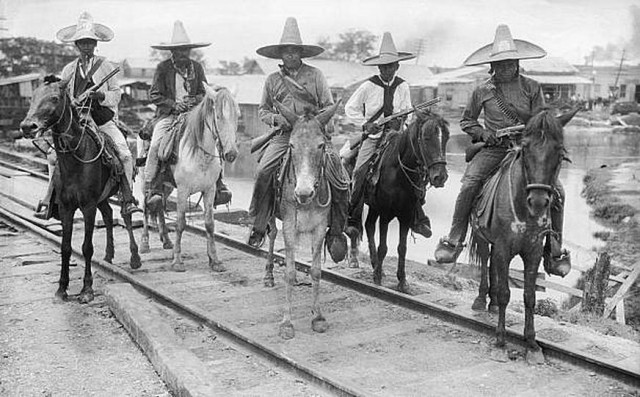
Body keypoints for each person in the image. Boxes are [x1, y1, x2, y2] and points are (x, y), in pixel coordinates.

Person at [434, 25, 571, 277]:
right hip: (494, 149)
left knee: (558, 191)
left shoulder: (532, 87)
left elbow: (542, 121)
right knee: (469, 184)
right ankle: (454, 238)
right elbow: (467, 121)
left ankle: (554, 249)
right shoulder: (482, 90)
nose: (505, 67)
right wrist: (482, 134)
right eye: (500, 63)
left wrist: (529, 134)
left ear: (517, 62)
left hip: (525, 150)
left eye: (510, 62)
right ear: (492, 66)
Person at [247, 17, 349, 260]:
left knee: (341, 178)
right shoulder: (272, 80)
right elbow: (263, 109)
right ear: (280, 54)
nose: (290, 55)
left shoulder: (316, 75)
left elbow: (327, 105)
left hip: (313, 135)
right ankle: (259, 223)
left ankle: (336, 230)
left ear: (300, 52)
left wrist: (322, 123)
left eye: (294, 51)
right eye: (286, 51)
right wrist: (275, 120)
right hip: (285, 136)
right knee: (263, 171)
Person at [36, 12, 141, 219]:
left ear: (95, 44)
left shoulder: (106, 66)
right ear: (76, 45)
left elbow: (117, 95)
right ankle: (51, 200)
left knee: (125, 155)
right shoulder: (69, 69)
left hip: (102, 119)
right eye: (82, 43)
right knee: (52, 156)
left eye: (90, 43)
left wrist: (100, 94)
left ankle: (127, 199)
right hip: (76, 121)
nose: (86, 47)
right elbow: (62, 96)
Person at [343, 32, 432, 239]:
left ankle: (418, 217)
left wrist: (402, 123)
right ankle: (353, 215)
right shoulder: (368, 86)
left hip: (396, 138)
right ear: (378, 68)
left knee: (416, 169)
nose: (386, 70)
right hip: (373, 139)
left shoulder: (403, 86)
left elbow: (408, 111)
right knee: (359, 171)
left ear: (397, 66)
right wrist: (367, 125)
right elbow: (350, 108)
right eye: (383, 66)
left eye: (390, 66)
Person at [144, 20, 231, 207]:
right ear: (172, 52)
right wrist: (173, 105)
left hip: (194, 116)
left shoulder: (196, 67)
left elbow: (204, 91)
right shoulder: (163, 68)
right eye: (179, 50)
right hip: (169, 115)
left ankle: (218, 182)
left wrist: (196, 100)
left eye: (186, 50)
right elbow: (154, 94)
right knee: (157, 143)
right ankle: (153, 186)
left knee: (215, 137)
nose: (183, 54)